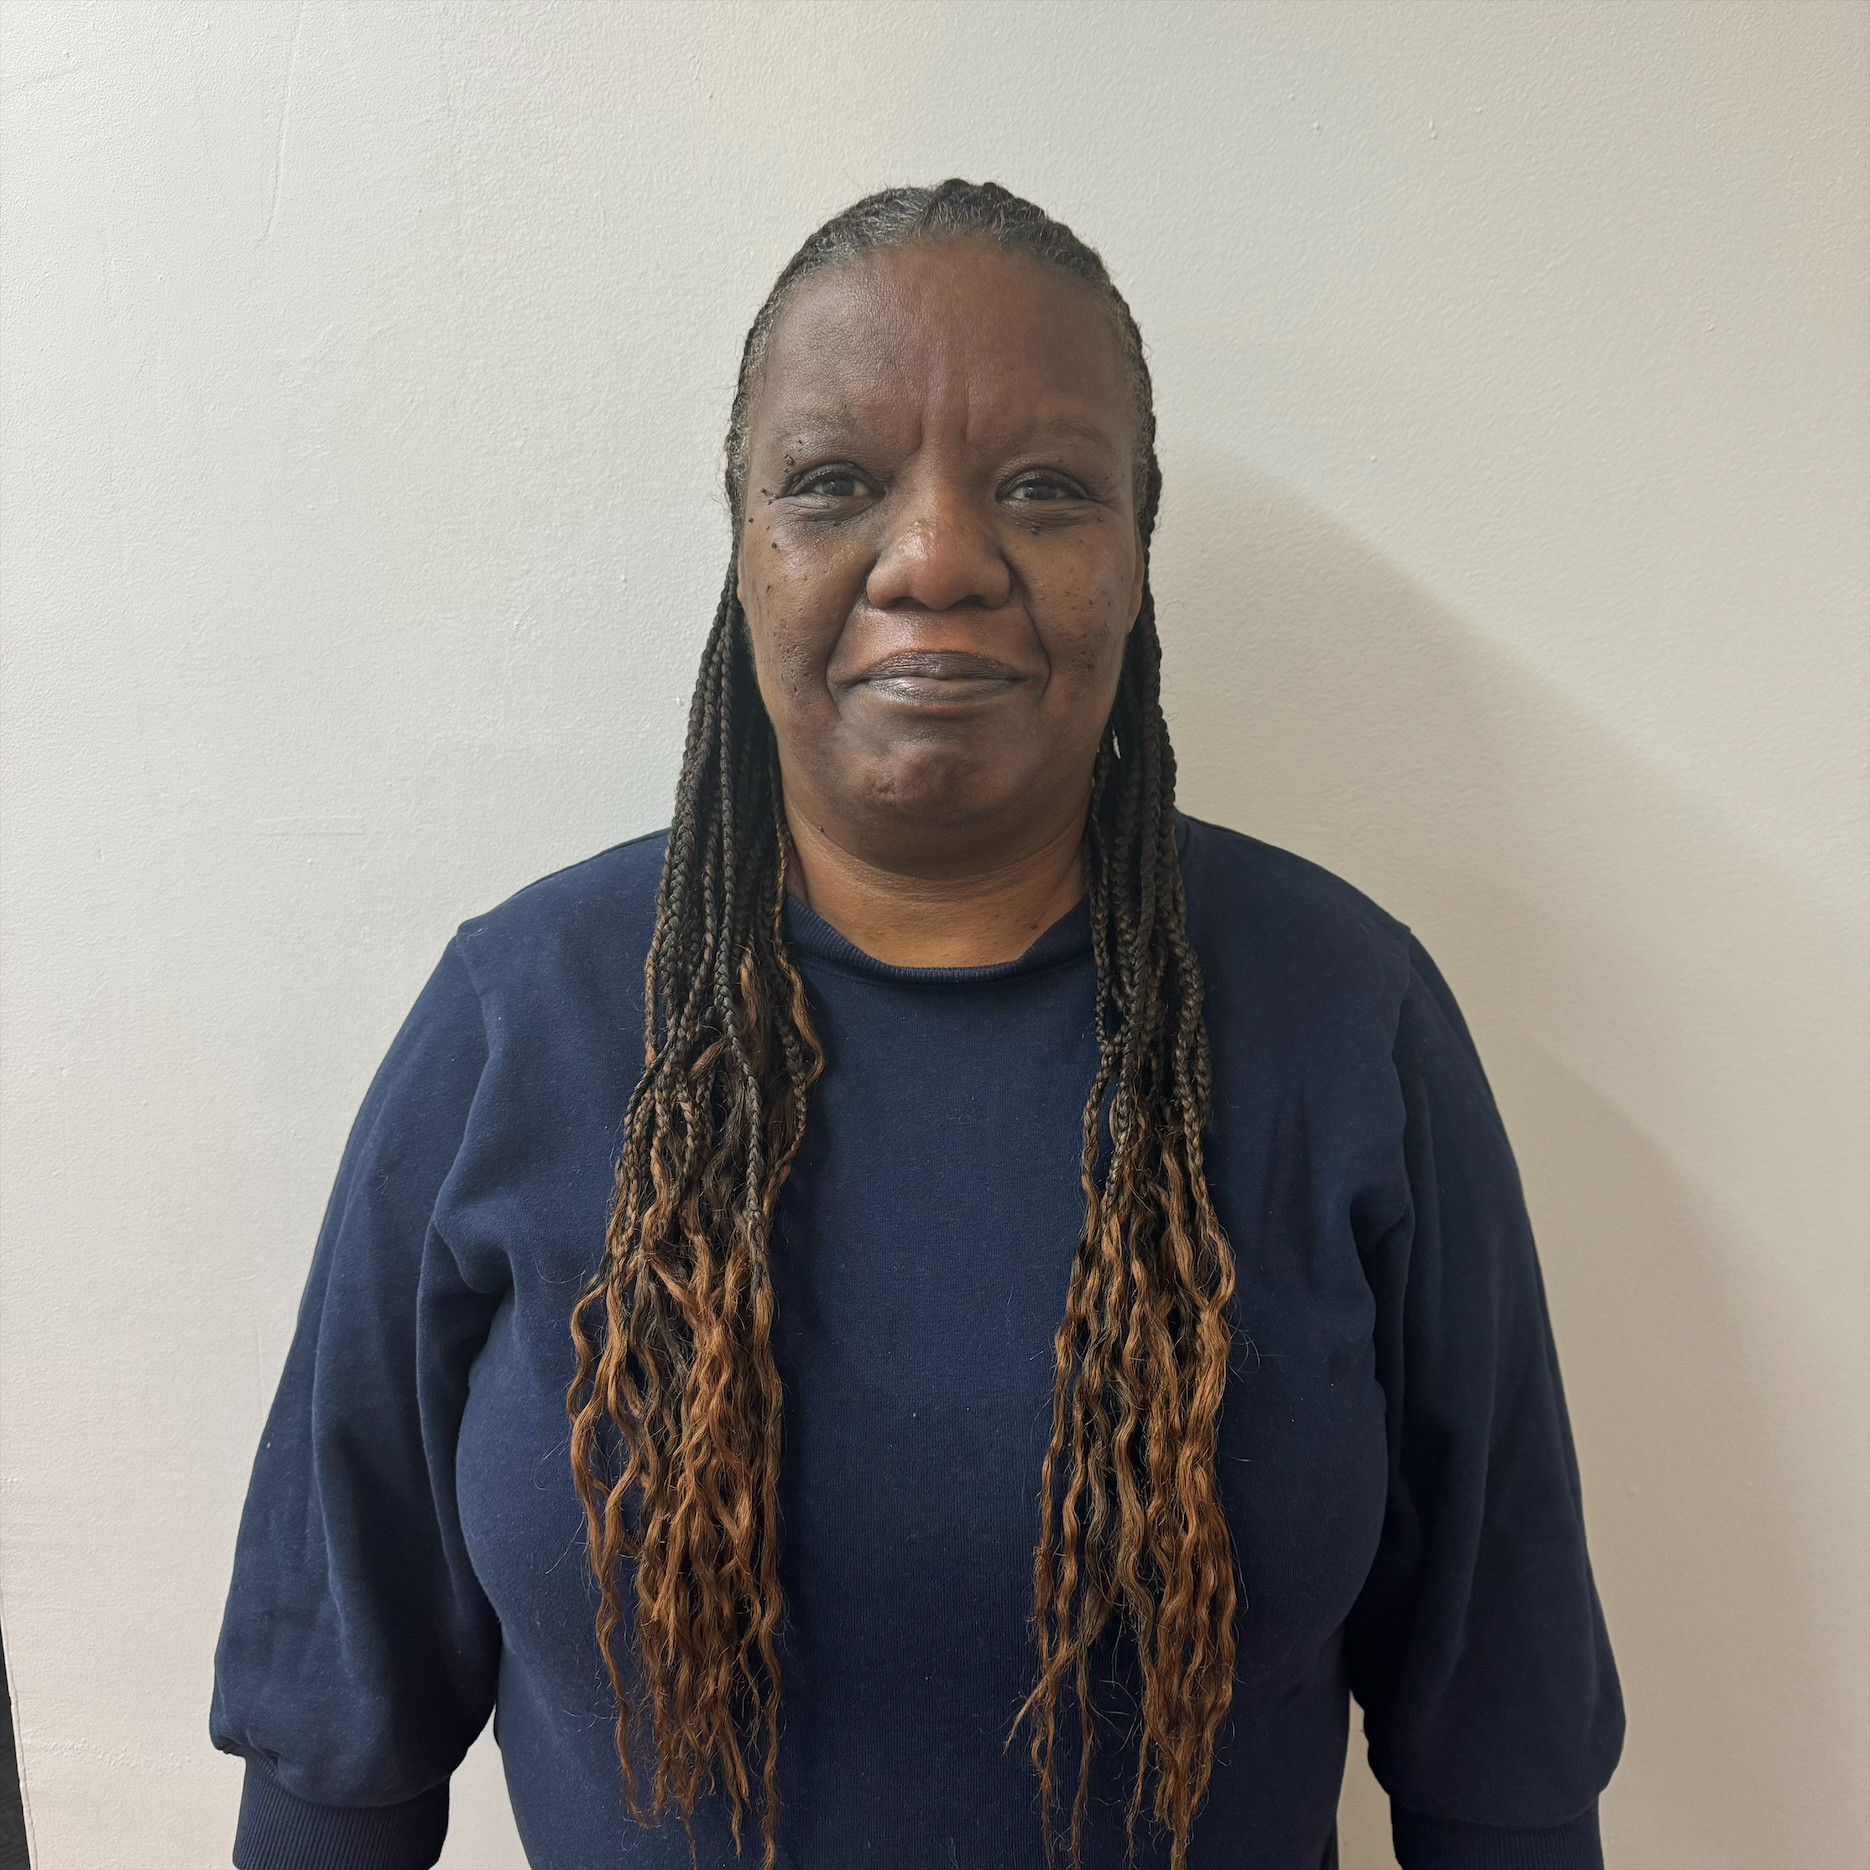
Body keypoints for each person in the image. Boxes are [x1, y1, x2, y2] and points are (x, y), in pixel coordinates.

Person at [211, 181, 1623, 1870]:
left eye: (1043, 487)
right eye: (832, 484)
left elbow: (1500, 1744)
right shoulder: (518, 1022)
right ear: (744, 541)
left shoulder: (1345, 1020)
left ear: (1136, 544)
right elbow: (336, 1747)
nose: (939, 556)